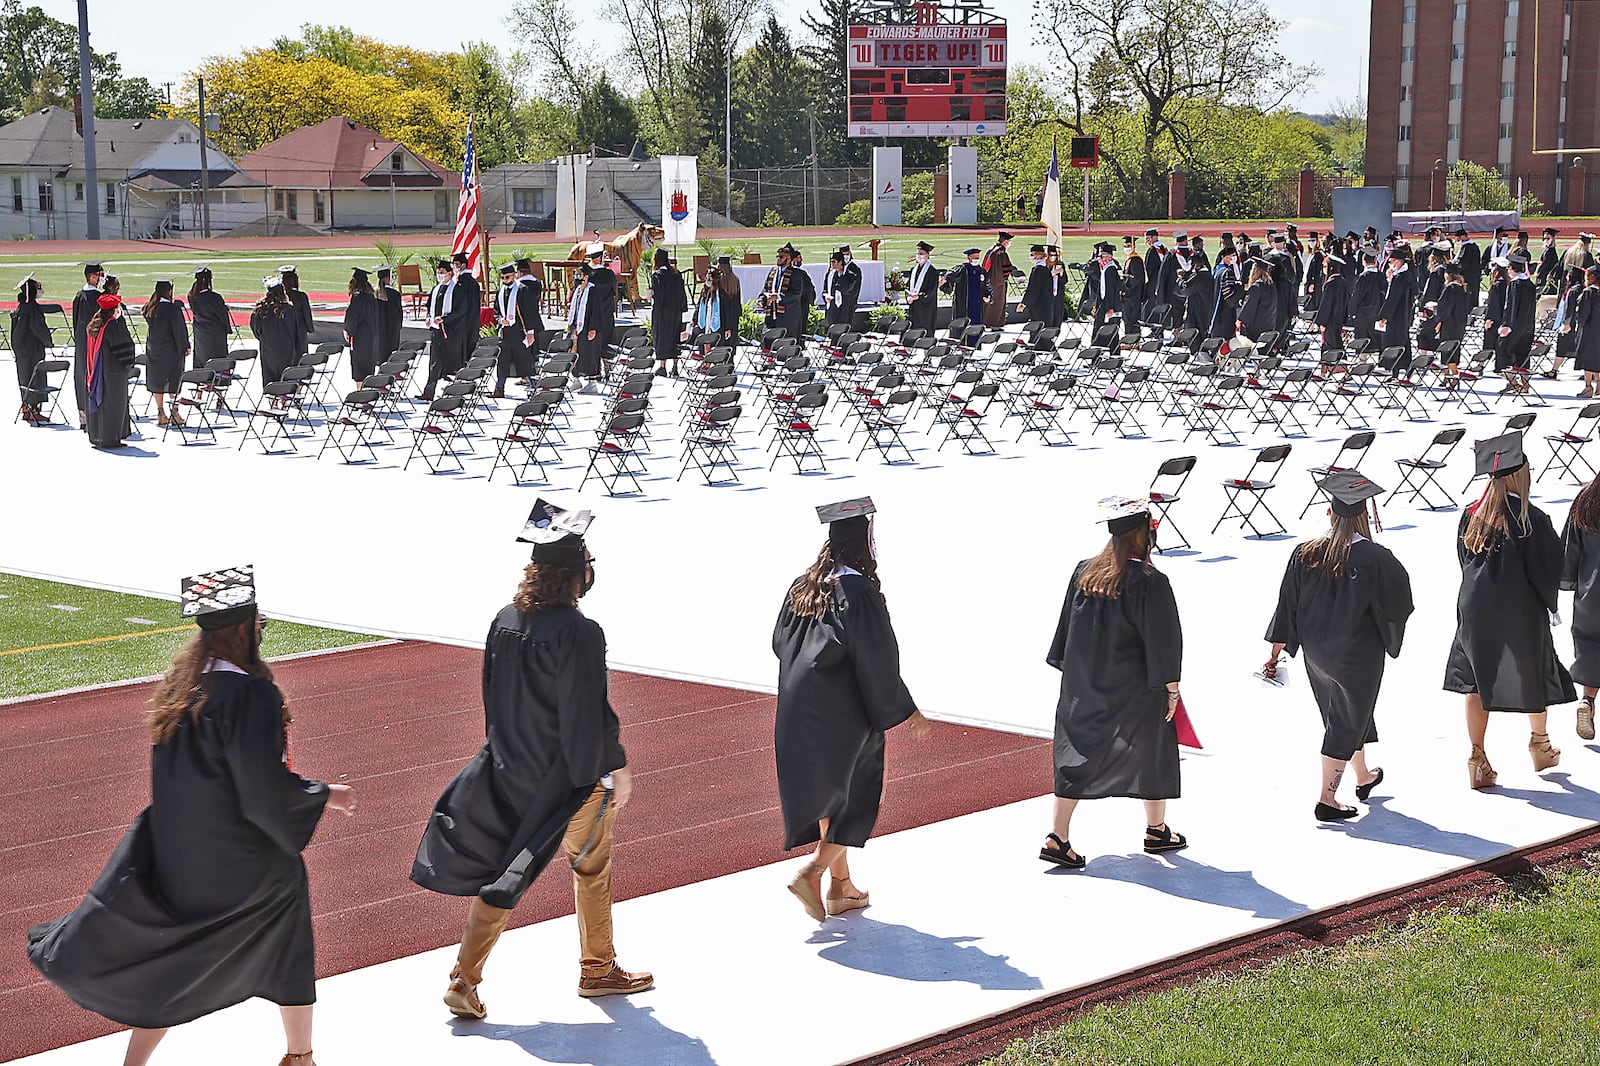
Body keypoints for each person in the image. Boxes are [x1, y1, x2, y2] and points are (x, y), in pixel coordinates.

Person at [27, 565, 354, 1066]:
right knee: (289, 919)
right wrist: (323, 793)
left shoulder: (182, 692)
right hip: (239, 855)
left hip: (182, 851)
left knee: (176, 959)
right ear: (245, 629)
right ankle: (301, 1057)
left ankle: (135, 1062)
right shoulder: (251, 695)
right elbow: (261, 787)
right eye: (260, 625)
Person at [412, 502, 651, 1018]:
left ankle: (464, 977)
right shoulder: (579, 631)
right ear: (576, 573)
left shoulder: (505, 620)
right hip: (563, 780)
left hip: (505, 768)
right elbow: (588, 712)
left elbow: (491, 695)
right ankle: (598, 968)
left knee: (504, 873)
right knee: (591, 866)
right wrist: (615, 766)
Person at [773, 498, 930, 920]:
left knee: (831, 796)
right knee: (855, 798)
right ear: (865, 542)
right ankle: (813, 872)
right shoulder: (857, 590)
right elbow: (876, 657)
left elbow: (779, 645)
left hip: (797, 707)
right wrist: (905, 710)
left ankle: (841, 888)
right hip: (842, 712)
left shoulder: (803, 585)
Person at [1041, 497, 1185, 869]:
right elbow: (1164, 639)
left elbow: (1065, 633)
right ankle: (1156, 830)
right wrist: (1171, 688)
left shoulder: (1083, 572)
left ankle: (1058, 835)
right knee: (1152, 746)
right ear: (1144, 535)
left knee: (1077, 752)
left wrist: (1074, 679)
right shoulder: (1150, 581)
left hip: (1085, 682)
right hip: (1135, 687)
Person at [1263, 472, 1413, 821]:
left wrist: (1276, 649)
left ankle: (1363, 776)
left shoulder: (1305, 552)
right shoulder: (1376, 557)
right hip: (1357, 654)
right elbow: (1400, 602)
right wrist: (1385, 628)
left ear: (1330, 514)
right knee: (1345, 720)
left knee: (1345, 712)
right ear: (1364, 515)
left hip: (1317, 654)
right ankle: (1327, 800)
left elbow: (1288, 603)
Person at [1444, 433, 1574, 789]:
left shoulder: (1471, 515)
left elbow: (1464, 561)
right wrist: (1549, 602)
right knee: (1531, 668)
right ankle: (1540, 744)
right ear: (1522, 476)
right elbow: (1549, 569)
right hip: (1518, 607)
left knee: (1475, 680)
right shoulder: (1531, 518)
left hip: (1475, 607)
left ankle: (1477, 755)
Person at [84, 282, 136, 449]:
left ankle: (98, 436)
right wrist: (128, 365)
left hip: (97, 370)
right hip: (113, 373)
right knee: (112, 404)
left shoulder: (95, 324)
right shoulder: (113, 325)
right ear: (114, 308)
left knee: (101, 403)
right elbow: (126, 348)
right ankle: (111, 438)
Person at [142, 279, 190, 427]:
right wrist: (185, 346)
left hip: (154, 349)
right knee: (174, 380)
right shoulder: (173, 309)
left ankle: (161, 412)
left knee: (157, 381)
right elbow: (179, 330)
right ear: (168, 292)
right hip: (172, 350)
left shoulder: (150, 308)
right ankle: (175, 412)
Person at [495, 260, 542, 395]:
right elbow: (496, 311)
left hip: (520, 331)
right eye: (503, 278)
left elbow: (530, 312)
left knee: (524, 360)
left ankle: (534, 387)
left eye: (508, 277)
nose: (505, 280)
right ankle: (499, 389)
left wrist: (531, 332)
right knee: (502, 360)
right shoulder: (500, 291)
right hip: (505, 332)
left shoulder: (522, 290)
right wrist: (500, 320)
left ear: (515, 275)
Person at [575, 247, 617, 391]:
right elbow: (613, 293)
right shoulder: (608, 274)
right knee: (604, 342)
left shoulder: (587, 275)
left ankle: (593, 375)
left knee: (590, 347)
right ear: (600, 257)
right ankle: (606, 368)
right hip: (606, 314)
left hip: (589, 317)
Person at [10, 275, 51, 423]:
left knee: (24, 377)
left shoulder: (20, 308)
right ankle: (35, 410)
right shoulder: (33, 308)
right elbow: (38, 328)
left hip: (21, 350)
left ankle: (26, 409)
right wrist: (48, 341)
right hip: (33, 350)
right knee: (36, 377)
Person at [72, 262, 105, 429]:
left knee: (81, 375)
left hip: (81, 343)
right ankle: (92, 415)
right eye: (100, 275)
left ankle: (83, 416)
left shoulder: (79, 296)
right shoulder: (97, 298)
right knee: (91, 375)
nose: (102, 279)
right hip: (94, 344)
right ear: (92, 276)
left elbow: (75, 321)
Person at [251, 276, 300, 388]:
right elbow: (296, 330)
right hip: (287, 348)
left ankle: (273, 401)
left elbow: (256, 329)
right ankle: (284, 400)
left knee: (270, 375)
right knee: (286, 375)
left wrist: (264, 338)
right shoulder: (290, 309)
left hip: (268, 348)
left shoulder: (260, 310)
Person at [648, 249, 687, 378]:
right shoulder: (676, 274)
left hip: (663, 313)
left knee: (662, 338)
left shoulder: (658, 275)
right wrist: (681, 309)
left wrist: (655, 307)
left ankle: (663, 367)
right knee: (675, 337)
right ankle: (675, 366)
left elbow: (659, 296)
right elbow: (682, 294)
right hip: (676, 313)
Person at [1498, 252, 1538, 378]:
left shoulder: (1515, 284)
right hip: (1528, 325)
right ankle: (1524, 384)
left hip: (1514, 325)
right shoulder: (1530, 284)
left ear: (1510, 268)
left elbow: (1511, 306)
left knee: (1503, 350)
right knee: (1523, 354)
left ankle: (1512, 382)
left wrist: (1506, 324)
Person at [421, 260, 457, 401]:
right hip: (436, 332)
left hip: (451, 332)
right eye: (438, 272)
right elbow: (429, 306)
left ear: (449, 273)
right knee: (434, 362)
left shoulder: (456, 289)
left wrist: (445, 319)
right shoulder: (436, 289)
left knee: (451, 362)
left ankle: (453, 392)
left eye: (442, 272)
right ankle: (429, 392)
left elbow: (460, 310)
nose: (440, 275)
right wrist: (429, 317)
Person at [444, 252, 482, 377]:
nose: (454, 267)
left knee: (462, 351)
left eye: (457, 264)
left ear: (464, 265)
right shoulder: (472, 282)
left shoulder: (462, 283)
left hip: (463, 323)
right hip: (472, 322)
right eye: (453, 264)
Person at [340, 268, 381, 385]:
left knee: (359, 365)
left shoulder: (357, 297)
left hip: (359, 336)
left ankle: (360, 391)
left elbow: (352, 316)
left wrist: (348, 330)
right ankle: (368, 388)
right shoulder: (372, 297)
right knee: (369, 362)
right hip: (371, 335)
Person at [1374, 249, 1416, 360]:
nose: (1389, 264)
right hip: (1404, 314)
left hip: (1395, 316)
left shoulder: (1399, 278)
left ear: (1397, 261)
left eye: (1390, 261)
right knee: (1403, 340)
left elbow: (1392, 298)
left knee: (1392, 342)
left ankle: (1393, 369)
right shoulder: (1408, 275)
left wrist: (1384, 317)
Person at [759, 242, 807, 340]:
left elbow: (796, 294)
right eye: (777, 256)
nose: (778, 259)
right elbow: (765, 288)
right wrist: (761, 299)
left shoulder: (795, 274)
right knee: (770, 340)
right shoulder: (773, 271)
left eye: (781, 257)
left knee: (785, 341)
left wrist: (779, 297)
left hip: (788, 316)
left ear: (789, 259)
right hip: (772, 313)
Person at [187, 266, 232, 370]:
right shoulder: (214, 297)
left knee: (201, 354)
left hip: (200, 331)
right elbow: (222, 315)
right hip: (216, 332)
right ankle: (218, 378)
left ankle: (201, 376)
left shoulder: (192, 297)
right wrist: (227, 328)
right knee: (217, 356)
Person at [1566, 266, 1600, 399]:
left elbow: (1583, 315)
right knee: (1597, 359)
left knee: (1587, 359)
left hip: (1589, 331)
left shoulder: (1589, 292)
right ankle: (1598, 384)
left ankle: (1588, 386)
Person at [1433, 265, 1471, 386]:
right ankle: (1446, 376)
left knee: (1447, 350)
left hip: (1449, 323)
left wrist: (1438, 318)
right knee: (1453, 348)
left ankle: (1454, 376)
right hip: (1459, 323)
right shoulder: (1463, 288)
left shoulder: (1450, 289)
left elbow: (1445, 308)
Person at [693, 266, 740, 350]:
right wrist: (694, 320)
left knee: (715, 344)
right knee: (705, 342)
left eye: (710, 279)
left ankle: (712, 360)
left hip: (717, 325)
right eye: (706, 278)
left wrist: (728, 328)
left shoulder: (723, 296)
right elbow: (699, 307)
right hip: (705, 322)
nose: (708, 281)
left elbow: (727, 313)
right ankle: (706, 362)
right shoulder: (704, 293)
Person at [942, 247, 989, 326]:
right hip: (964, 301)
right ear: (968, 258)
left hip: (977, 302)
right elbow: (950, 276)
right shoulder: (962, 269)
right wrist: (944, 280)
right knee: (963, 323)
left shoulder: (981, 270)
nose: (976, 259)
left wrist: (987, 295)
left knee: (977, 322)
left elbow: (986, 284)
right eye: (974, 258)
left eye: (977, 257)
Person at [1236, 261, 1278, 347]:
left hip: (1256, 329)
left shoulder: (1256, 287)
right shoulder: (1271, 285)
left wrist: (1240, 320)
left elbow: (1249, 307)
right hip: (1269, 325)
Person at [278, 266, 314, 362]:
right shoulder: (301, 296)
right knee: (300, 357)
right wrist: (310, 328)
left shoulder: (278, 297)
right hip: (299, 331)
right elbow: (307, 315)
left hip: (284, 332)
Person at [1313, 254, 1349, 352]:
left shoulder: (1331, 283)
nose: (1324, 269)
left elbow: (1326, 304)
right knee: (1338, 344)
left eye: (1325, 266)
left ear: (1331, 268)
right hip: (1339, 319)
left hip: (1329, 321)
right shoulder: (1342, 281)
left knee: (1330, 346)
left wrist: (1322, 322)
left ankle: (1330, 367)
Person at [1352, 251, 1385, 352]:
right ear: (1375, 260)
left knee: (1363, 337)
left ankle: (1363, 361)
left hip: (1363, 313)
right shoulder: (1381, 276)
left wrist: (1351, 311)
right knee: (1378, 337)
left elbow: (1357, 296)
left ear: (1363, 261)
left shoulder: (1363, 277)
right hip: (1378, 311)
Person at [824, 245, 862, 332]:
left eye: (847, 254)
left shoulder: (853, 269)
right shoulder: (832, 273)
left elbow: (850, 288)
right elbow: (826, 287)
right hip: (833, 305)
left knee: (844, 326)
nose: (846, 257)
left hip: (847, 303)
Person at [981, 231, 1014, 327]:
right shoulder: (1001, 253)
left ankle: (985, 322)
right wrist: (1006, 276)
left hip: (989, 279)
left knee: (989, 302)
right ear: (1005, 242)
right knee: (998, 303)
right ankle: (995, 324)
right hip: (998, 281)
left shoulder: (992, 249)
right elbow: (1006, 269)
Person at [905, 241, 939, 334]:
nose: (919, 256)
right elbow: (907, 286)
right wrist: (908, 296)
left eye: (921, 254)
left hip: (926, 307)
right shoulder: (913, 270)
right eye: (918, 254)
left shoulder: (933, 272)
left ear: (927, 256)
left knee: (924, 328)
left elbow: (932, 290)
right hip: (914, 305)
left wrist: (919, 296)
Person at [1481, 260, 1510, 370]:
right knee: (1501, 344)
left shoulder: (1496, 286)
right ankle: (1500, 366)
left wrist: (1489, 319)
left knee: (1488, 343)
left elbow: (1493, 304)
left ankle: (1481, 364)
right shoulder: (1509, 284)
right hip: (1504, 319)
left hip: (1495, 319)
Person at [1016, 244, 1052, 324]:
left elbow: (1033, 289)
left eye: (1033, 254)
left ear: (1039, 255)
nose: (1031, 257)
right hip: (1047, 301)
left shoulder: (1038, 270)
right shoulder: (1046, 267)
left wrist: (1024, 303)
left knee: (1038, 323)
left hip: (1039, 302)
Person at [374, 266, 404, 362]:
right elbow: (399, 313)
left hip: (379, 327)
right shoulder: (395, 294)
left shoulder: (373, 293)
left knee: (380, 349)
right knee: (392, 349)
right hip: (392, 328)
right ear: (388, 278)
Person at [1119, 235, 1147, 338]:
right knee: (1127, 318)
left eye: (1129, 245)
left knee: (1131, 318)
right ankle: (1129, 338)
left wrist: (1124, 287)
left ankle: (1132, 339)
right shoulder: (1129, 260)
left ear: (1134, 246)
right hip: (1129, 295)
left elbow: (1136, 278)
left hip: (1132, 295)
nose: (1127, 248)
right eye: (1125, 246)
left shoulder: (1136, 260)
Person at [1457, 228, 1483, 308]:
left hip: (1467, 276)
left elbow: (1463, 264)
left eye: (1458, 239)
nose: (1458, 241)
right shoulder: (1475, 247)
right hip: (1475, 275)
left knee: (1468, 298)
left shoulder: (1467, 248)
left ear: (1463, 237)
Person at [1537, 227, 1562, 292]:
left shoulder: (1550, 252)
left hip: (1546, 278)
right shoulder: (1548, 251)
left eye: (1548, 238)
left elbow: (1545, 265)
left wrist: (1539, 275)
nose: (1546, 241)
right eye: (1544, 239)